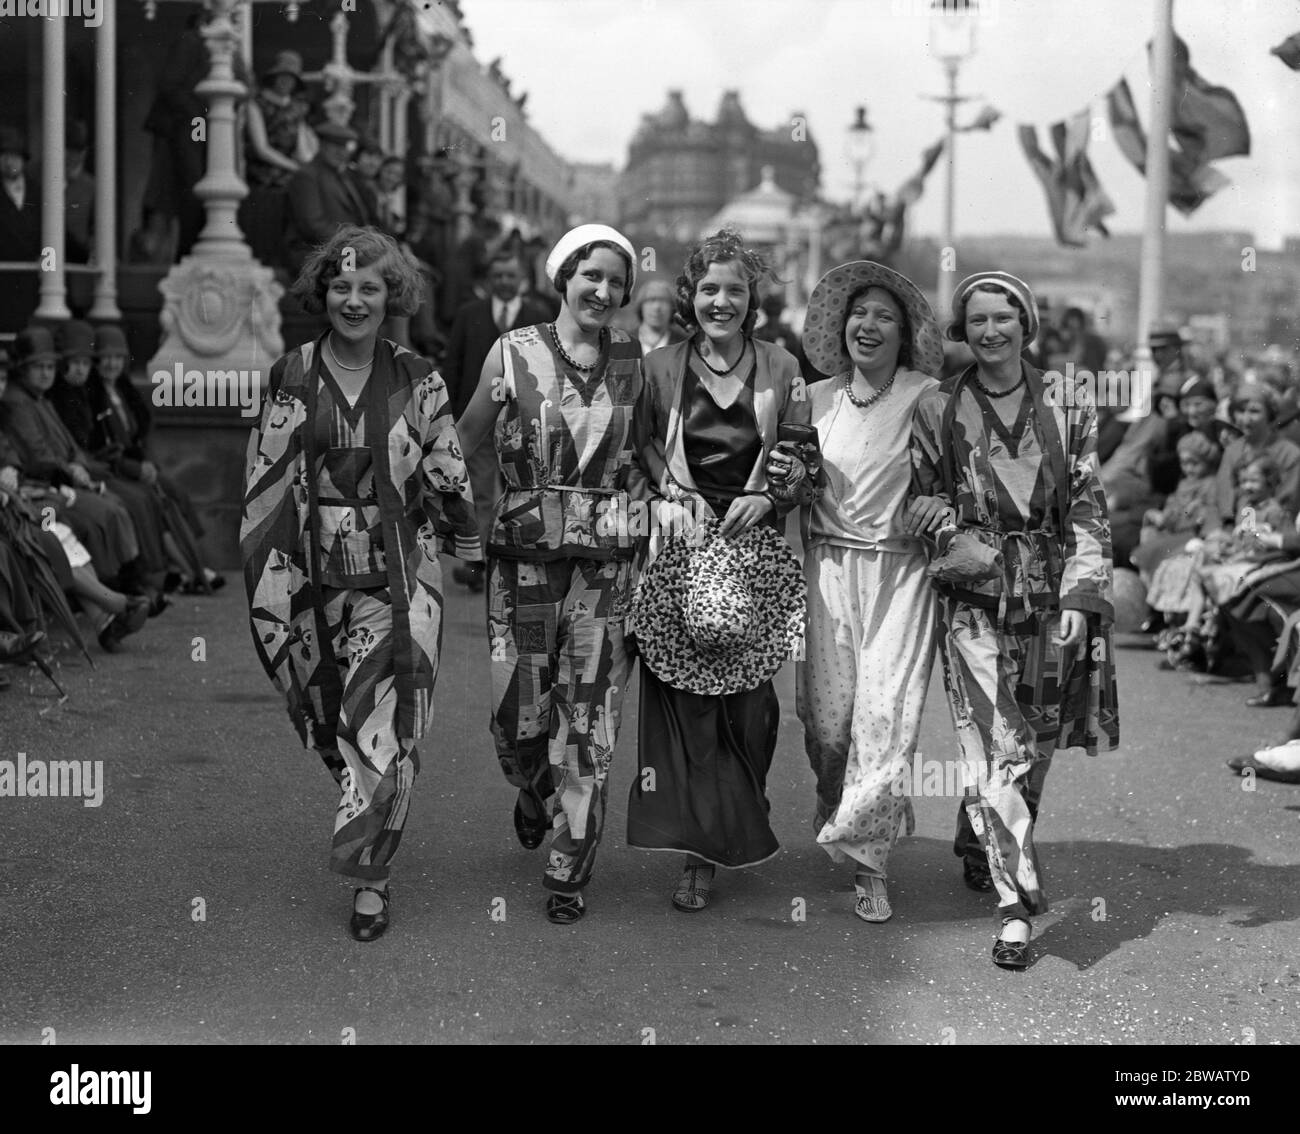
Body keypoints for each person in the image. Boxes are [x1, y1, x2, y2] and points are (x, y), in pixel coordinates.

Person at [240, 225, 481, 942]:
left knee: (386, 723)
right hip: (307, 587)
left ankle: (370, 878)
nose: (353, 300)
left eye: (369, 288)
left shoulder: (419, 377)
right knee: (328, 719)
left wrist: (468, 535)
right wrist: (268, 580)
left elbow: (446, 467)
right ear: (324, 292)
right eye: (341, 286)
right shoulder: (289, 375)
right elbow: (263, 484)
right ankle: (365, 800)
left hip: (399, 586)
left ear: (391, 295)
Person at [910, 270, 1119, 970]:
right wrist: (936, 521)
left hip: (1052, 598)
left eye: (1003, 318)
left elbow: (1089, 502)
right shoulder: (937, 406)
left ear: (1025, 323)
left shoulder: (1068, 399)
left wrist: (1082, 598)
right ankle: (1016, 909)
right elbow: (920, 502)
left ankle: (983, 838)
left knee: (1038, 744)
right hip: (973, 600)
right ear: (961, 331)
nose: (991, 331)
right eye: (977, 321)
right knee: (998, 746)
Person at [455, 223, 647, 924]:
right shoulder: (513, 353)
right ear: (563, 275)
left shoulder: (635, 360)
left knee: (590, 719)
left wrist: (654, 505)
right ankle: (531, 789)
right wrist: (450, 522)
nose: (603, 290)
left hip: (605, 568)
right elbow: (461, 443)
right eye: (591, 275)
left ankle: (568, 868)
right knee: (518, 717)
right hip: (523, 563)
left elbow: (655, 457)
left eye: (616, 281)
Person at [625, 229, 807, 911]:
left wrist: (770, 494)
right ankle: (701, 854)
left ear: (751, 297)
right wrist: (666, 498)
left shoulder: (783, 368)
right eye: (709, 289)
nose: (721, 301)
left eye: (734, 289)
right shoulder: (660, 367)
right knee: (689, 709)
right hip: (682, 555)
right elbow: (635, 447)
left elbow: (803, 460)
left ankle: (741, 809)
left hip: (755, 556)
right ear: (689, 297)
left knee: (752, 711)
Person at [783, 260, 945, 922]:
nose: (868, 325)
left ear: (904, 333)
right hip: (826, 569)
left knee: (888, 717)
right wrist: (792, 486)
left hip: (902, 574)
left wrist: (943, 511)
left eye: (884, 315)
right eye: (858, 312)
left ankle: (869, 860)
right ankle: (838, 800)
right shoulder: (813, 398)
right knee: (828, 725)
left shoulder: (931, 396)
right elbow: (783, 483)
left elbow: (958, 482)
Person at [0, 326, 147, 595]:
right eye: (38, 367)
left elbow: (69, 443)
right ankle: (116, 589)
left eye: (50, 367)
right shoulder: (18, 401)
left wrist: (77, 464)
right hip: (40, 488)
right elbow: (37, 454)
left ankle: (123, 588)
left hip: (58, 482)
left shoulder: (38, 397)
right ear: (22, 370)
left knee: (114, 507)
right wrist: (71, 471)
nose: (46, 374)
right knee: (97, 516)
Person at [442, 250, 551, 593]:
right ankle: (477, 563)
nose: (504, 281)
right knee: (479, 493)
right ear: (489, 279)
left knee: (518, 495)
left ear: (522, 279)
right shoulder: (469, 315)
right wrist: (450, 417)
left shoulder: (539, 317)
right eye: (498, 275)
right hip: (480, 420)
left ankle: (513, 561)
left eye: (510, 275)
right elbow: (454, 367)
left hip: (523, 424)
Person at [241, 51, 316, 270]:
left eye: (291, 79)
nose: (286, 83)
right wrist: (292, 166)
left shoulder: (296, 110)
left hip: (288, 184)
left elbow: (302, 149)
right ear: (274, 77)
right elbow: (261, 147)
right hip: (261, 180)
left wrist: (307, 168)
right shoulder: (256, 105)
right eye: (283, 77)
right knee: (261, 235)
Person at [283, 122, 377, 277]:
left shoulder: (343, 177)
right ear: (322, 146)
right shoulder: (308, 175)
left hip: (344, 251)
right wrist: (353, 246)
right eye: (335, 147)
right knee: (366, 281)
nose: (341, 153)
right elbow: (313, 225)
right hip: (317, 254)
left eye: (344, 148)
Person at [1215, 382, 1300, 529]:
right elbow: (1224, 494)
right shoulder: (1232, 451)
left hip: (1273, 528)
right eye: (1240, 411)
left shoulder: (1289, 453)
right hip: (1235, 527)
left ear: (1270, 413)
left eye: (1254, 411)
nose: (1246, 419)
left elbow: (1288, 503)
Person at [633, 278, 687, 356]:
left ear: (673, 308)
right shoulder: (624, 342)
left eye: (663, 301)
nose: (657, 307)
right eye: (651, 300)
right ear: (641, 306)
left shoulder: (684, 346)